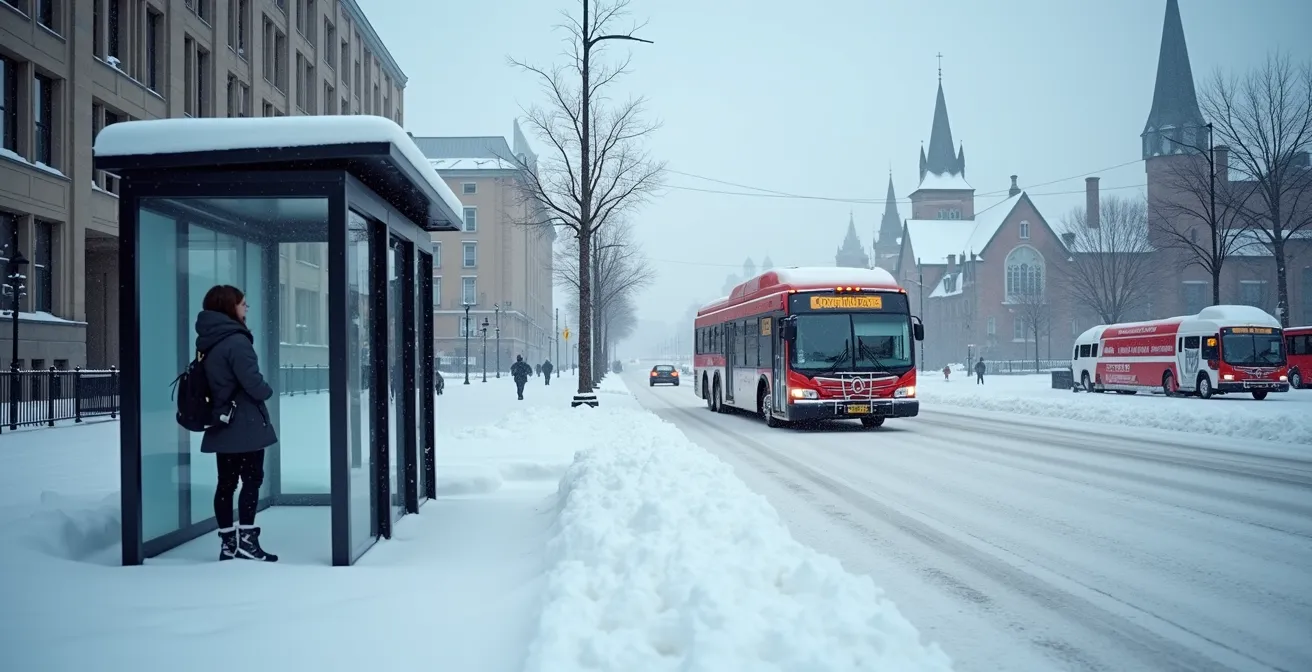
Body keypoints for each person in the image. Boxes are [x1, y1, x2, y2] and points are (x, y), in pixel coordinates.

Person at [195, 285, 279, 562]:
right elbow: (252, 383)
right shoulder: (236, 341)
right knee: (251, 480)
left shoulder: (207, 340)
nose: (246, 308)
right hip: (245, 422)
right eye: (243, 304)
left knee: (226, 483)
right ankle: (247, 543)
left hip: (222, 419)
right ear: (230, 307)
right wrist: (267, 390)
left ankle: (228, 545)